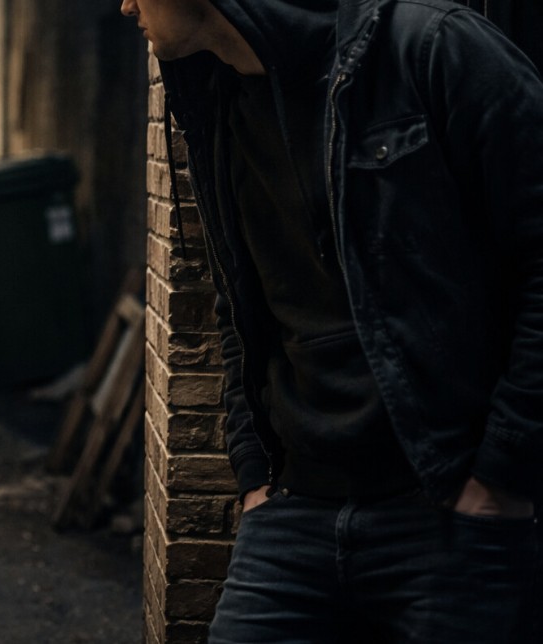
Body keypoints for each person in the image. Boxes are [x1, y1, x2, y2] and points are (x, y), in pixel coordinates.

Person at [121, 0, 541, 641]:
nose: (125, 5)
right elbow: (240, 304)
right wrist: (254, 473)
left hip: (447, 511)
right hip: (292, 512)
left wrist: (502, 476)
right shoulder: (217, 103)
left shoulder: (431, 51)